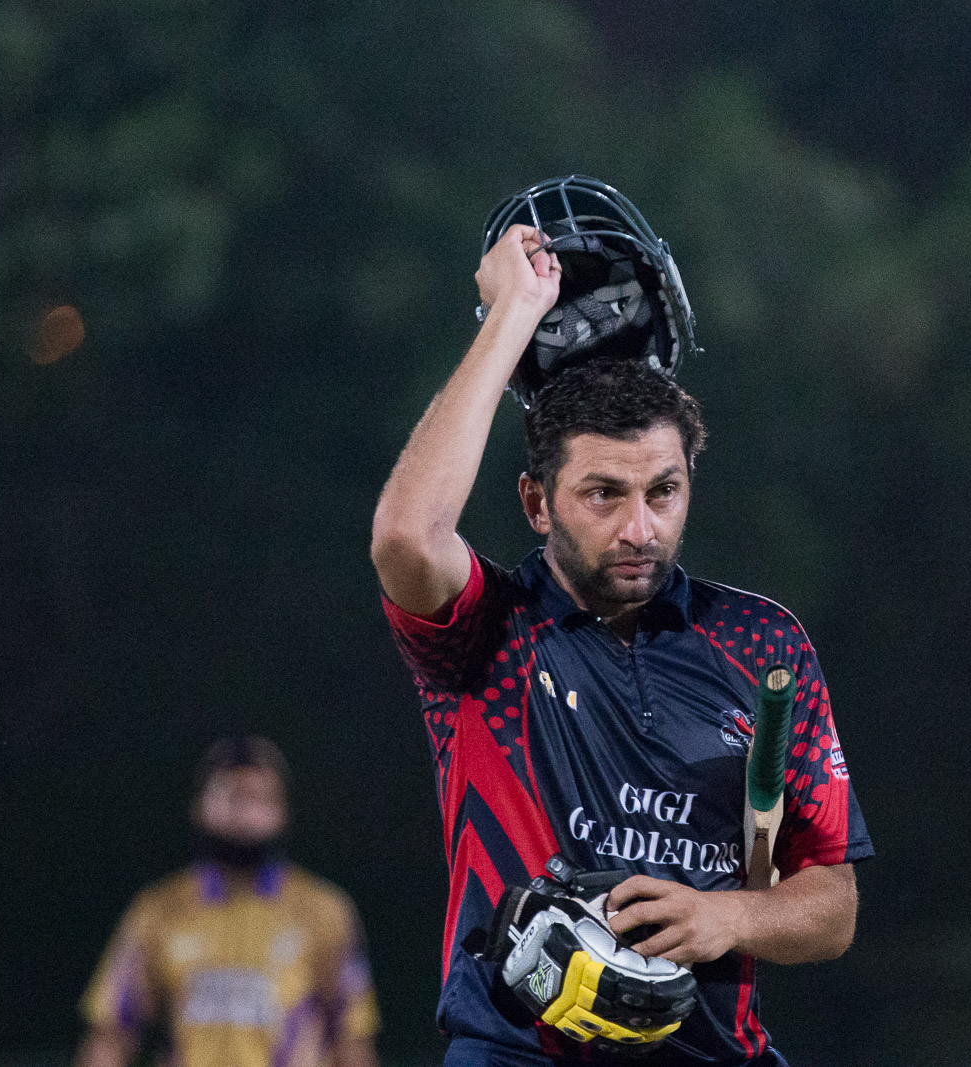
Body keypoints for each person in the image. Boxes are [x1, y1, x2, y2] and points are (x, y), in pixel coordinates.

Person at [371, 213, 873, 1065]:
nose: (641, 527)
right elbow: (406, 537)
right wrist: (513, 314)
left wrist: (727, 914)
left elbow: (832, 904)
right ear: (537, 503)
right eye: (604, 494)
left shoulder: (765, 644)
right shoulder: (489, 633)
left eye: (663, 492)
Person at [75, 736, 380, 1067]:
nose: (246, 811)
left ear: (282, 811)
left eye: (260, 798)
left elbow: (352, 1040)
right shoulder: (157, 909)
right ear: (199, 807)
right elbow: (112, 1034)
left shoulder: (324, 910)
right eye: (233, 796)